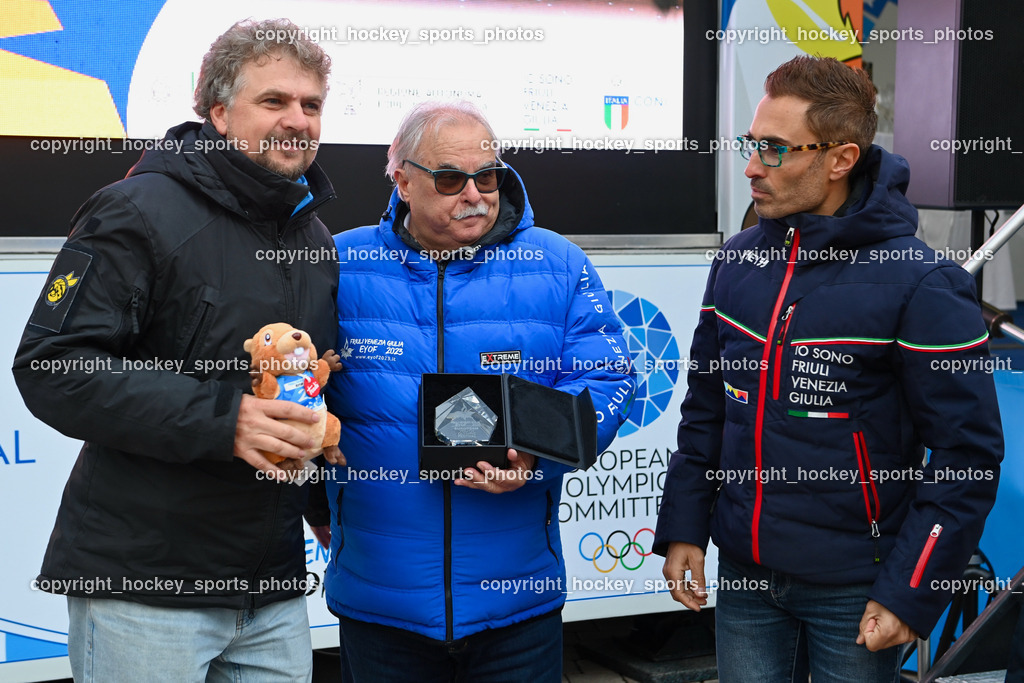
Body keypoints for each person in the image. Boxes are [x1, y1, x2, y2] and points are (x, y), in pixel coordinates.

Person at [654, 56, 1003, 682]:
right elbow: (707, 406)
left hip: (858, 592)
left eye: (775, 149)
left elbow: (966, 456)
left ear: (840, 159)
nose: (752, 166)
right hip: (745, 578)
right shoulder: (737, 262)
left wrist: (910, 591)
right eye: (750, 143)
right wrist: (684, 523)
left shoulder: (923, 283)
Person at [13, 19, 339, 682]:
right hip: (146, 587)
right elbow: (52, 365)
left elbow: (302, 390)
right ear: (218, 112)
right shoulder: (135, 210)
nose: (298, 119)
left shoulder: (316, 237)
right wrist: (227, 418)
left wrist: (323, 502)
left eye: (311, 105)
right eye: (274, 101)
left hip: (272, 589)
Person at [320, 101, 636, 682]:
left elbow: (610, 380)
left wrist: (535, 459)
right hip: (381, 605)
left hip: (516, 607)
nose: (474, 194)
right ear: (402, 181)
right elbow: (298, 390)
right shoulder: (341, 262)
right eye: (449, 179)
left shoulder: (558, 263)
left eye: (487, 176)